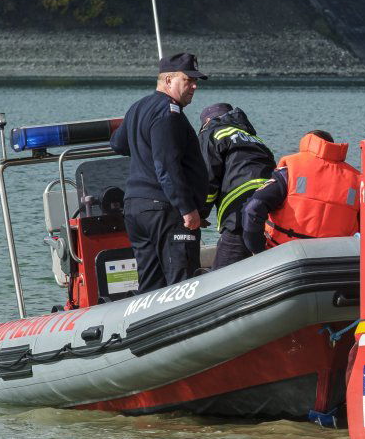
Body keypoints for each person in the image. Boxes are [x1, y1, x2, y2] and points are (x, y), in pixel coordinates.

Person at [109, 52, 210, 293]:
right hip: (164, 210)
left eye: (196, 81)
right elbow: (167, 166)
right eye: (188, 80)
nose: (194, 86)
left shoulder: (138, 107)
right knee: (182, 284)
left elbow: (118, 143)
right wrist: (187, 209)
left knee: (151, 286)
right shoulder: (169, 113)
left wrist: (141, 144)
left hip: (136, 209)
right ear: (168, 81)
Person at [242, 130, 360, 254]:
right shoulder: (357, 180)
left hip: (283, 256)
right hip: (334, 262)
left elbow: (253, 208)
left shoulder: (291, 171)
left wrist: (258, 251)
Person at [197, 102, 275, 269]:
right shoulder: (255, 139)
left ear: (208, 121)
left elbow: (208, 178)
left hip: (239, 211)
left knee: (221, 274)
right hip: (269, 209)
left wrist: (200, 213)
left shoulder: (212, 133)